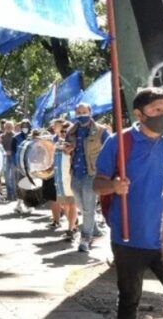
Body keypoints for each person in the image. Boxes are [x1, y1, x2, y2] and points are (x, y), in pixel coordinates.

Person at [95, 87, 163, 319]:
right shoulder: (119, 142)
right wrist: (114, 186)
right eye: (156, 109)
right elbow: (97, 184)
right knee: (129, 299)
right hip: (129, 238)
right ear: (139, 114)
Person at [64, 102, 109, 253]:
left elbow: (111, 147)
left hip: (92, 173)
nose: (81, 114)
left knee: (88, 207)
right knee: (81, 205)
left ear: (90, 112)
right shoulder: (72, 130)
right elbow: (67, 147)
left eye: (84, 111)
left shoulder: (101, 130)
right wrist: (67, 149)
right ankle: (95, 229)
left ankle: (85, 238)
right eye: (79, 111)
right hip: (75, 173)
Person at [45, 119, 77, 239]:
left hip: (71, 179)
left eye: (66, 131)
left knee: (72, 204)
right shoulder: (57, 144)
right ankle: (73, 226)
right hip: (60, 181)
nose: (63, 133)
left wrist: (68, 149)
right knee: (66, 205)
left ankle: (70, 229)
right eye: (62, 131)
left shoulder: (74, 144)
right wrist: (47, 170)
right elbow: (55, 162)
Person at [10, 120, 32, 214]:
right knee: (20, 184)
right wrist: (16, 164)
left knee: (30, 185)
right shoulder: (16, 138)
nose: (25, 128)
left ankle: (29, 204)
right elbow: (13, 152)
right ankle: (19, 204)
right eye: (23, 126)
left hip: (31, 165)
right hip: (19, 165)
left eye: (27, 126)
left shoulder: (33, 137)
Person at [0, 121, 16, 201]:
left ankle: (14, 194)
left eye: (10, 126)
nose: (8, 128)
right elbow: (0, 147)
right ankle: (9, 194)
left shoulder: (16, 136)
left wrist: (11, 152)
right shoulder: (2, 137)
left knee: (13, 177)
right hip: (5, 158)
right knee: (6, 177)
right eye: (7, 126)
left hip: (13, 158)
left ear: (13, 127)